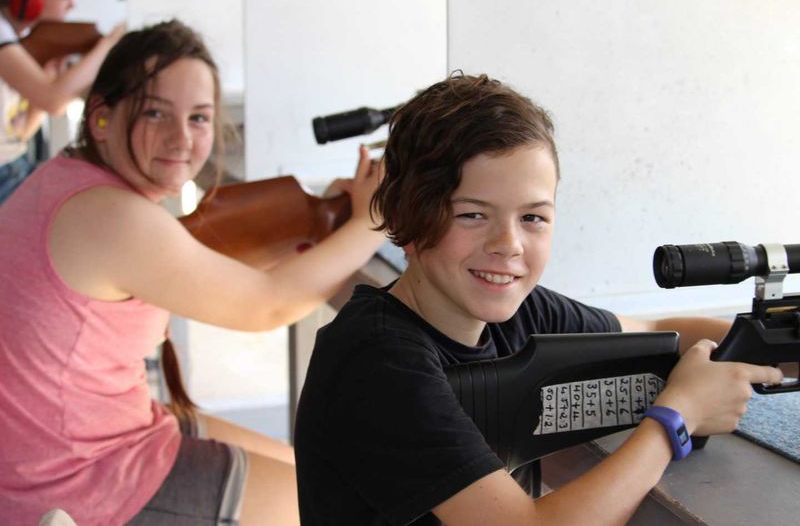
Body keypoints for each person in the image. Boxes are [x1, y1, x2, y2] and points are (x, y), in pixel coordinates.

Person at [293, 73, 783, 525]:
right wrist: (675, 420)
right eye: (472, 215)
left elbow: (658, 333)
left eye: (533, 218)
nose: (508, 245)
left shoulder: (519, 313)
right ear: (408, 216)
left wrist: (775, 345)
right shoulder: (377, 360)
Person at [0, 20, 386, 525]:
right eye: (155, 112)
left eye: (199, 117)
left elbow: (205, 271)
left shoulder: (71, 183)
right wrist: (374, 220)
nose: (181, 138)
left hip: (71, 444)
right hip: (70, 480)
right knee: (347, 507)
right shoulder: (113, 218)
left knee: (317, 472)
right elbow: (265, 304)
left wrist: (335, 224)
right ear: (101, 118)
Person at [0, 0, 124, 204]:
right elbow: (54, 101)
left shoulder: (17, 40)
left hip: (14, 164)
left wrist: (50, 75)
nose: (72, 5)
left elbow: (23, 131)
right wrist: (108, 46)